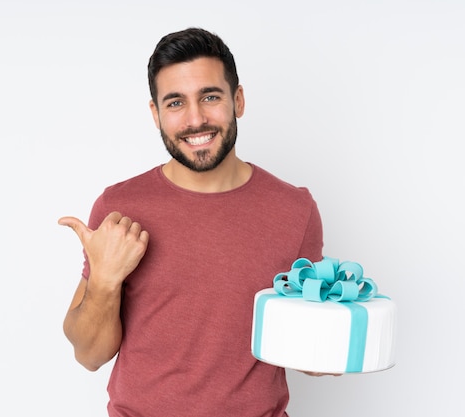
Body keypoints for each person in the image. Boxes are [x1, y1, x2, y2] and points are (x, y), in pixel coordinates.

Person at [59, 27, 324, 417]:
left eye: (210, 97)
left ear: (238, 99)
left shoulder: (294, 209)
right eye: (176, 103)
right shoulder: (119, 208)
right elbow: (90, 355)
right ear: (156, 114)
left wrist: (334, 344)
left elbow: (308, 351)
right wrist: (105, 278)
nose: (195, 119)